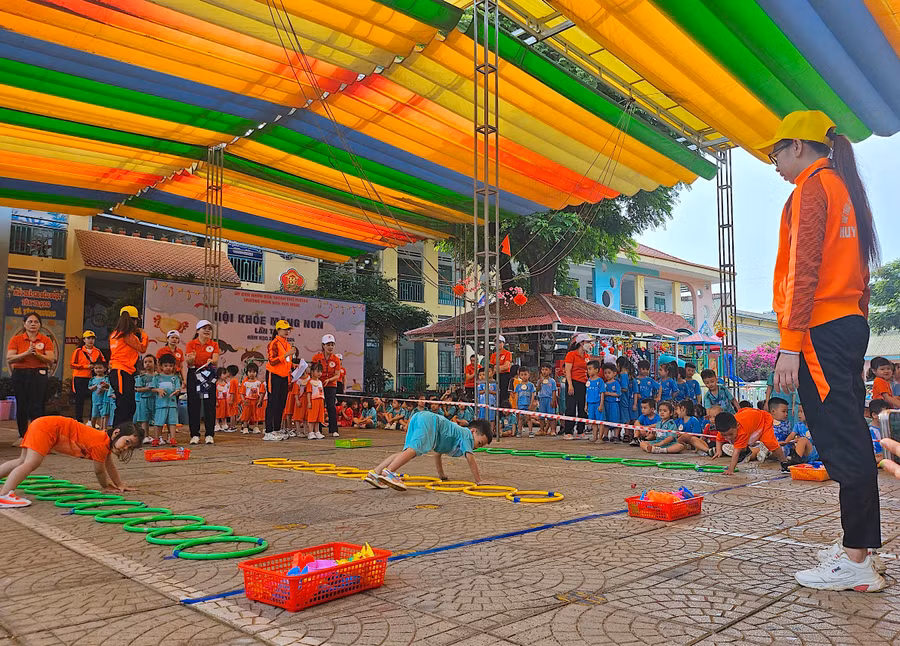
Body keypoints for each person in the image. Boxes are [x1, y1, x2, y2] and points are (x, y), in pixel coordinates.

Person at [762, 110, 884, 591]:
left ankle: (856, 563)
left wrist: (790, 346)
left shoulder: (810, 190)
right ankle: (858, 546)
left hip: (820, 331)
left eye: (775, 152)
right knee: (849, 436)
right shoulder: (845, 188)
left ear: (798, 146)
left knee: (842, 444)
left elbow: (803, 271)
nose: (773, 163)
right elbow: (862, 272)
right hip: (847, 324)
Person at [0, 417, 143, 508]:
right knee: (31, 463)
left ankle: (5, 493)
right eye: (126, 442)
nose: (125, 448)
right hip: (46, 428)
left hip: (42, 424)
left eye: (129, 448)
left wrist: (120, 485)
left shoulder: (104, 440)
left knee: (22, 461)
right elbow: (99, 471)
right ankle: (5, 495)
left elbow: (109, 464)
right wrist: (107, 486)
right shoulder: (101, 444)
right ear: (116, 433)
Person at [363, 412, 494, 490]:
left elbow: (437, 454)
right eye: (479, 442)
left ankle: (375, 473)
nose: (476, 447)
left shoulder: (457, 436)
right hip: (430, 421)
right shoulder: (466, 435)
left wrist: (442, 475)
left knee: (407, 452)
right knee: (414, 450)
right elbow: (470, 458)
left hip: (419, 417)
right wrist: (479, 480)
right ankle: (389, 472)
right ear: (473, 431)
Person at [6, 312, 56, 445]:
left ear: (40, 325)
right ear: (24, 324)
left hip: (39, 374)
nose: (33, 324)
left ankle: (37, 437)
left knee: (37, 406)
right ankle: (23, 436)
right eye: (30, 321)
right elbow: (10, 358)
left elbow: (51, 359)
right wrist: (26, 353)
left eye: (36, 322)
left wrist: (38, 355)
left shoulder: (45, 340)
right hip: (20, 374)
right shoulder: (16, 339)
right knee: (22, 405)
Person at [107, 306, 148, 427]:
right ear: (134, 320)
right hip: (121, 371)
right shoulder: (127, 335)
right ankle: (117, 432)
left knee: (129, 404)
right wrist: (144, 334)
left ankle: (124, 431)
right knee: (124, 404)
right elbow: (142, 348)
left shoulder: (114, 334)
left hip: (124, 372)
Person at [715, 409, 788, 476]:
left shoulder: (742, 431)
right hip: (750, 418)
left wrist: (731, 469)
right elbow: (718, 439)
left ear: (737, 426)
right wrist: (718, 450)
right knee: (736, 440)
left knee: (770, 444)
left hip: (764, 420)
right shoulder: (724, 428)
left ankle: (784, 462)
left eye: (730, 434)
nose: (728, 437)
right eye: (724, 435)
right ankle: (745, 450)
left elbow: (736, 452)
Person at [185, 320, 219, 445]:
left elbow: (215, 361)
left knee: (209, 404)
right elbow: (189, 362)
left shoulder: (214, 344)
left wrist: (210, 361)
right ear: (197, 330)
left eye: (209, 328)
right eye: (204, 328)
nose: (207, 331)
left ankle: (209, 434)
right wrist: (191, 360)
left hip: (208, 374)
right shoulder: (191, 344)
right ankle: (194, 434)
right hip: (194, 374)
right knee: (194, 404)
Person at [265, 320, 297, 441]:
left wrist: (294, 365)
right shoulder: (274, 343)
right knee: (272, 402)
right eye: (284, 329)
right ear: (278, 330)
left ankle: (276, 429)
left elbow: (286, 362)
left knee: (281, 403)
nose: (287, 331)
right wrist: (287, 354)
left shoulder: (287, 344)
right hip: (273, 375)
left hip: (284, 376)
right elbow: (272, 360)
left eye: (288, 329)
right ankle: (268, 431)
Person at [70, 330, 104, 424]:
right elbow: (72, 364)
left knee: (95, 398)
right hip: (79, 377)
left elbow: (103, 362)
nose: (90, 340)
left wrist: (98, 368)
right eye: (88, 338)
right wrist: (85, 366)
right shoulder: (78, 351)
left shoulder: (97, 351)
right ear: (84, 340)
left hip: (93, 377)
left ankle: (92, 420)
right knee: (79, 399)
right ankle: (78, 419)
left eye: (92, 338)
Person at [311, 334, 342, 438]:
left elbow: (337, 375)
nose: (330, 347)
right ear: (323, 345)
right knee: (319, 406)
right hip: (318, 385)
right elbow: (312, 371)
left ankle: (333, 430)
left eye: (332, 344)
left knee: (331, 406)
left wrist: (329, 380)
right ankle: (317, 430)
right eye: (328, 344)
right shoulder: (316, 357)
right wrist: (317, 381)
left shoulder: (336, 359)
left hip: (331, 385)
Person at [563, 333, 592, 439]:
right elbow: (568, 371)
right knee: (570, 407)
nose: (589, 345)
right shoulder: (571, 354)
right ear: (581, 343)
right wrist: (570, 385)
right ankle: (568, 431)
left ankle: (580, 431)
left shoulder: (587, 356)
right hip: (573, 382)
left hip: (584, 383)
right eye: (587, 342)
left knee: (582, 407)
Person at [151, 353, 182, 446]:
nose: (168, 368)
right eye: (165, 366)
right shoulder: (156, 377)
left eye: (171, 366)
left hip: (172, 404)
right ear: (160, 366)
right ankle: (156, 438)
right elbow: (152, 388)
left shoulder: (175, 377)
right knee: (158, 422)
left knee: (172, 422)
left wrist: (177, 391)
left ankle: (172, 438)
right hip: (160, 404)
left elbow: (178, 388)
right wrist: (158, 390)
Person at [134, 355, 158, 444]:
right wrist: (149, 388)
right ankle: (146, 436)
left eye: (150, 362)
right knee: (144, 419)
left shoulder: (158, 376)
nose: (148, 364)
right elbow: (137, 389)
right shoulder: (141, 377)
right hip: (144, 400)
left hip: (156, 400)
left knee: (157, 419)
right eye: (145, 362)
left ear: (155, 364)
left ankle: (157, 437)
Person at [240, 363, 265, 435]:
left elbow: (262, 392)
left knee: (256, 414)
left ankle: (256, 427)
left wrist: (260, 401)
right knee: (246, 414)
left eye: (254, 372)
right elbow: (242, 393)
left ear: (256, 373)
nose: (252, 374)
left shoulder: (259, 383)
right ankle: (245, 427)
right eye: (250, 372)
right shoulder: (245, 383)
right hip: (247, 401)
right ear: (247, 372)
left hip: (256, 400)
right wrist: (243, 400)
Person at [490, 336, 513, 414]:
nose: (498, 344)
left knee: (504, 394)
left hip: (504, 376)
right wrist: (498, 368)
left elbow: (506, 366)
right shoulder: (493, 355)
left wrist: (497, 368)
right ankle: (496, 414)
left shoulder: (507, 353)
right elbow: (492, 368)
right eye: (496, 342)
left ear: (503, 343)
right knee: (495, 394)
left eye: (500, 342)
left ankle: (504, 413)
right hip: (496, 376)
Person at [513, 366, 536, 437]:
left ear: (529, 374)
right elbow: (516, 395)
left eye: (525, 374)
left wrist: (531, 404)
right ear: (519, 375)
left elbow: (533, 395)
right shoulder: (518, 386)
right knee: (520, 418)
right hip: (520, 404)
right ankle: (519, 431)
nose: (524, 376)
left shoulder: (531, 385)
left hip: (527, 404)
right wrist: (516, 404)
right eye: (522, 375)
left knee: (529, 418)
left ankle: (531, 431)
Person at [584, 360, 604, 442]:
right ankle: (594, 436)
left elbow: (602, 393)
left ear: (596, 370)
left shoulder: (600, 381)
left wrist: (601, 404)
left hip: (598, 403)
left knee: (600, 421)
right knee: (593, 422)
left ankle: (600, 438)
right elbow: (587, 393)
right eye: (587, 369)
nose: (588, 371)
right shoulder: (588, 381)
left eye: (590, 369)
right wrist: (586, 404)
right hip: (590, 403)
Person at [305, 362, 326, 439]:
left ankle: (317, 432)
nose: (319, 373)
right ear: (312, 371)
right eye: (317, 371)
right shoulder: (310, 382)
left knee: (318, 418)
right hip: (313, 401)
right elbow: (308, 393)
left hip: (320, 401)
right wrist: (309, 402)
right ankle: (310, 432)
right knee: (312, 417)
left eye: (321, 371)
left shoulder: (320, 382)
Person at [89, 362, 112, 430]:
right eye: (96, 368)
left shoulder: (106, 378)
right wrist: (95, 387)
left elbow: (109, 386)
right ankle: (92, 428)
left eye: (100, 368)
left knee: (103, 415)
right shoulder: (93, 379)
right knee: (94, 415)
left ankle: (103, 428)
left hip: (104, 400)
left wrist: (105, 386)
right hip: (95, 400)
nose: (98, 370)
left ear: (105, 369)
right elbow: (89, 388)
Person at [602, 362, 622, 442]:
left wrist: (608, 393)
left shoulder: (616, 383)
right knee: (606, 420)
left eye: (609, 373)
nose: (607, 375)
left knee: (615, 420)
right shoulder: (604, 384)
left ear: (614, 373)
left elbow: (618, 393)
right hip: (606, 404)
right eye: (605, 373)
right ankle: (605, 435)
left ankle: (616, 436)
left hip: (614, 404)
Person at [537, 364, 558, 436]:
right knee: (541, 416)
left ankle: (553, 430)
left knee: (551, 416)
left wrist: (553, 400)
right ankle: (541, 430)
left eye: (546, 370)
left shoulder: (552, 381)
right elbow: (537, 389)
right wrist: (540, 382)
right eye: (543, 370)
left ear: (550, 371)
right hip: (542, 399)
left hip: (549, 399)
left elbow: (554, 391)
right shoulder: (540, 381)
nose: (544, 372)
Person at [292, 362, 310, 439]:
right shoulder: (297, 380)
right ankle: (298, 431)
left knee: (306, 417)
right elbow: (295, 391)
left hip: (307, 399)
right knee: (298, 416)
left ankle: (306, 431)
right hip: (300, 399)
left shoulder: (309, 378)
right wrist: (297, 400)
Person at [617, 356, 635, 427]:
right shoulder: (622, 374)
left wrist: (617, 389)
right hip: (622, 399)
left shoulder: (623, 375)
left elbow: (625, 388)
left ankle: (627, 433)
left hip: (624, 399)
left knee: (625, 416)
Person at [214, 367, 230, 433]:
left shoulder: (226, 383)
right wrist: (216, 401)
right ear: (219, 375)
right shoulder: (216, 384)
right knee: (217, 413)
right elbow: (214, 393)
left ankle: (224, 423)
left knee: (224, 413)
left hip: (225, 400)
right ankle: (217, 424)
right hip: (219, 400)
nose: (226, 375)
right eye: (224, 373)